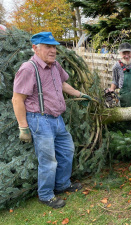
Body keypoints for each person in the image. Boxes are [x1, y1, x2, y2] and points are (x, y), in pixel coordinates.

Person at [12, 32, 92, 208]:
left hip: (57, 119)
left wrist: (80, 94)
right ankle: (46, 194)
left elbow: (63, 84)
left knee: (67, 151)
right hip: (39, 121)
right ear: (35, 48)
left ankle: (62, 184)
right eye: (48, 46)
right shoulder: (28, 68)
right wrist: (23, 127)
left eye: (54, 47)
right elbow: (17, 99)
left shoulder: (55, 65)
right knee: (48, 160)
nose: (53, 50)